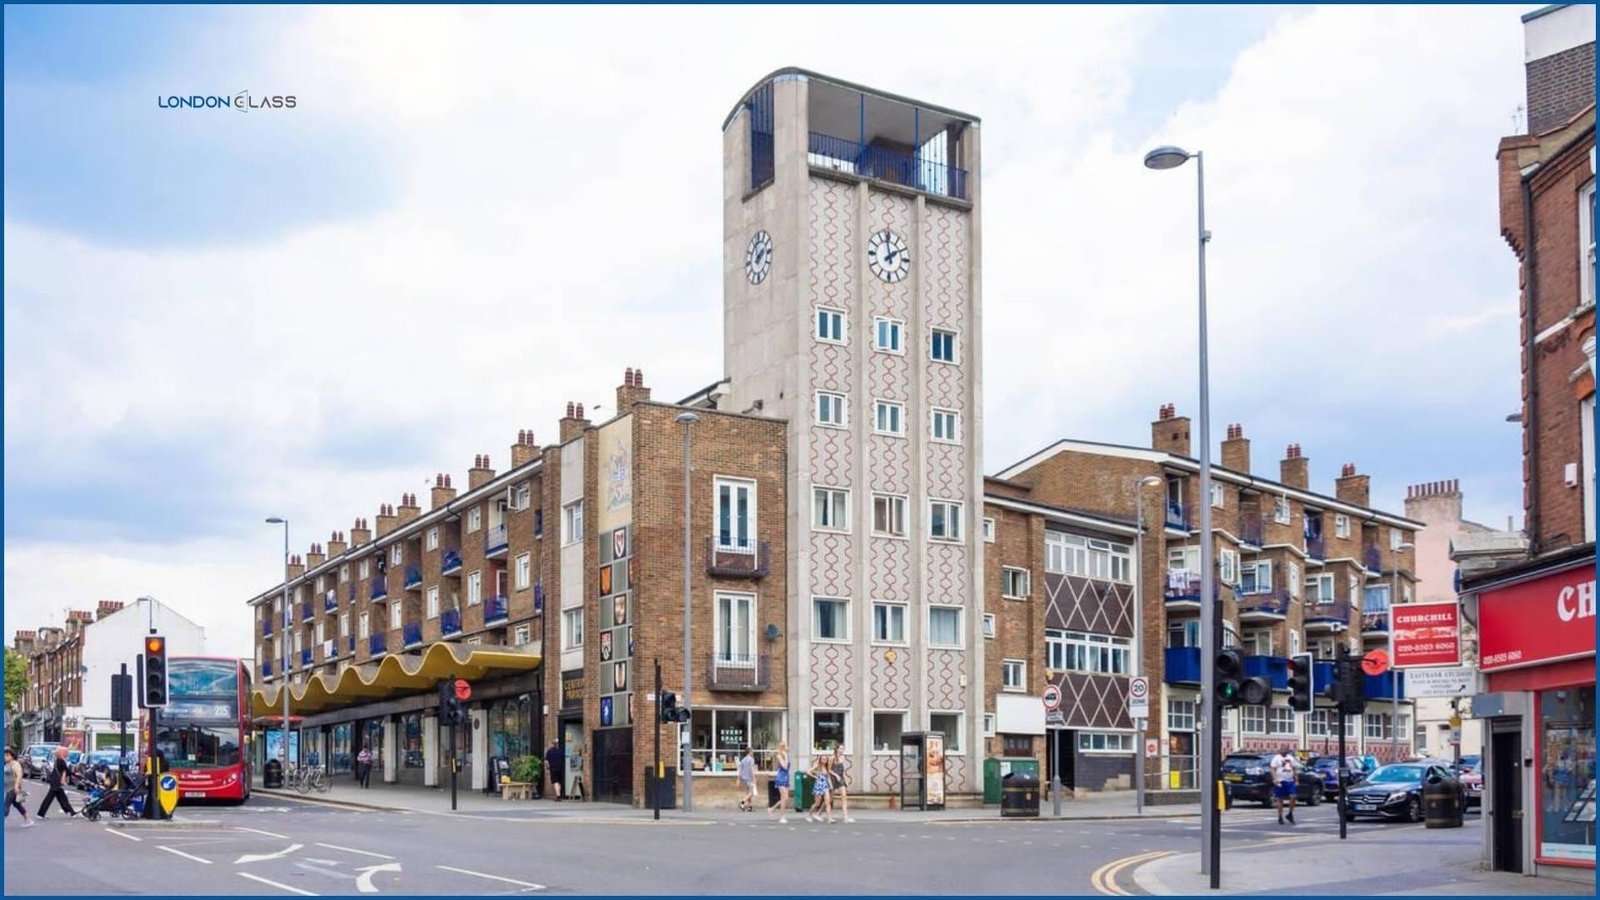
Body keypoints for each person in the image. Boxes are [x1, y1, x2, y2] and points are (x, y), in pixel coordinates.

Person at [36, 746, 77, 820]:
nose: (67, 754)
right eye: (66, 752)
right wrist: (75, 774)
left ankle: (71, 812)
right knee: (52, 798)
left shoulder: (58, 760)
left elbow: (64, 771)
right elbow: (66, 770)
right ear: (62, 753)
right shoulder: (60, 761)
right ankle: (40, 814)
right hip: (56, 782)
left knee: (61, 798)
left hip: (55, 781)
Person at [4, 749, 34, 828]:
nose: (5, 757)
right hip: (7, 788)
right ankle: (28, 820)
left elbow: (19, 775)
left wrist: (16, 786)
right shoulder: (6, 764)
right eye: (5, 755)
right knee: (17, 805)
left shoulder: (15, 764)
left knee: (6, 805)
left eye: (7, 755)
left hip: (13, 788)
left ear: (12, 756)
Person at [1270, 745, 1298, 825]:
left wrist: (1296, 779)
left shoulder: (1291, 758)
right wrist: (1274, 779)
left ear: (1288, 750)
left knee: (1293, 796)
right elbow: (1273, 769)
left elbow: (1294, 768)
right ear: (1280, 750)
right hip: (1280, 781)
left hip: (1289, 780)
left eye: (1285, 749)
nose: (1284, 750)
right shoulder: (1276, 758)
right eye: (1282, 749)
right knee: (1280, 799)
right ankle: (1280, 816)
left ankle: (1290, 813)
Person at [804, 755, 834, 824]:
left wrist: (831, 785)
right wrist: (815, 776)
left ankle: (829, 818)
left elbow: (828, 777)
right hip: (819, 785)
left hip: (825, 785)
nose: (824, 760)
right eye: (823, 759)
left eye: (825, 759)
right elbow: (808, 771)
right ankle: (809, 815)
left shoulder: (827, 767)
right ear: (820, 759)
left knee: (827, 802)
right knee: (817, 803)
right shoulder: (817, 766)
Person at [829, 745, 854, 823]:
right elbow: (829, 770)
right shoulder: (832, 758)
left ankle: (845, 817)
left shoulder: (842, 758)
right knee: (829, 799)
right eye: (840, 749)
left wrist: (845, 781)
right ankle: (819, 812)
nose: (842, 750)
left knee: (844, 797)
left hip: (840, 778)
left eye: (843, 749)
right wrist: (835, 775)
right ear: (836, 749)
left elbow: (842, 771)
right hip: (833, 778)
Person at [767, 741, 790, 824]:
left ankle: (772, 809)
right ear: (783, 747)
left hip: (786, 777)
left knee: (786, 798)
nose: (788, 747)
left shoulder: (786, 755)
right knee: (783, 797)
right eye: (787, 746)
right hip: (781, 778)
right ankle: (782, 817)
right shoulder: (779, 755)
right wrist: (786, 758)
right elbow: (784, 766)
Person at [736, 747, 757, 812]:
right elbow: (751, 769)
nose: (753, 752)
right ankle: (742, 803)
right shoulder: (751, 759)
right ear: (750, 752)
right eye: (752, 751)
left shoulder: (743, 760)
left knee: (748, 792)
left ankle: (749, 807)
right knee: (751, 793)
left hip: (744, 778)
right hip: (750, 778)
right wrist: (754, 778)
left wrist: (738, 779)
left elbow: (740, 770)